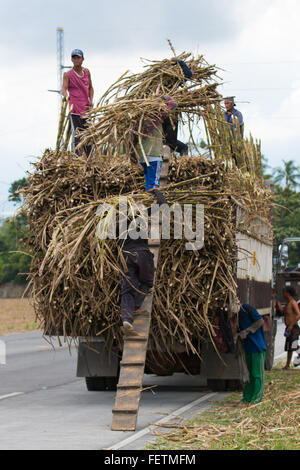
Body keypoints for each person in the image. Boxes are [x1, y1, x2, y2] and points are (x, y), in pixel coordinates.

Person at [119, 189, 167, 334]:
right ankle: (135, 307)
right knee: (146, 282)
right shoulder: (143, 214)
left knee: (127, 288)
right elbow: (163, 205)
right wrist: (157, 192)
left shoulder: (119, 219)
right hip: (141, 253)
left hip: (125, 255)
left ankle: (127, 319)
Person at [131, 96, 177, 192]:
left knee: (148, 183)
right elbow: (173, 103)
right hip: (154, 156)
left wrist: (133, 156)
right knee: (153, 185)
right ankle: (153, 205)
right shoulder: (156, 118)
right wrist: (163, 96)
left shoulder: (136, 121)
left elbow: (131, 140)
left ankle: (149, 204)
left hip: (142, 157)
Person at [62, 49, 94, 157]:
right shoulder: (68, 74)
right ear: (71, 59)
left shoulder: (87, 72)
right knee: (77, 135)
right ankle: (78, 158)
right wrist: (67, 97)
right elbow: (64, 89)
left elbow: (90, 88)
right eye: (74, 58)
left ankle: (89, 158)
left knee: (88, 135)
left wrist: (91, 100)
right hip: (75, 109)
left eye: (78, 58)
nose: (76, 60)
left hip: (86, 109)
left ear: (82, 59)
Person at [162, 59, 192, 156]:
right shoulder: (172, 85)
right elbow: (188, 75)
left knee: (171, 144)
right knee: (181, 147)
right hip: (169, 120)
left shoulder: (155, 88)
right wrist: (181, 62)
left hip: (160, 125)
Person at [238, 303, 267, 404]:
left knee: (257, 374)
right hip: (248, 348)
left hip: (257, 346)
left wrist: (247, 331)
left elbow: (260, 321)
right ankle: (247, 397)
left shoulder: (246, 308)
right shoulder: (236, 314)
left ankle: (257, 397)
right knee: (248, 374)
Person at [276, 287, 300, 369]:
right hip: (289, 328)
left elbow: (298, 314)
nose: (283, 294)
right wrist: (279, 306)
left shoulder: (293, 303)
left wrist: (291, 325)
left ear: (288, 293)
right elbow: (284, 312)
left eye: (284, 292)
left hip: (294, 327)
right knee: (289, 347)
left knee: (294, 344)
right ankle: (287, 365)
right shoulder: (288, 303)